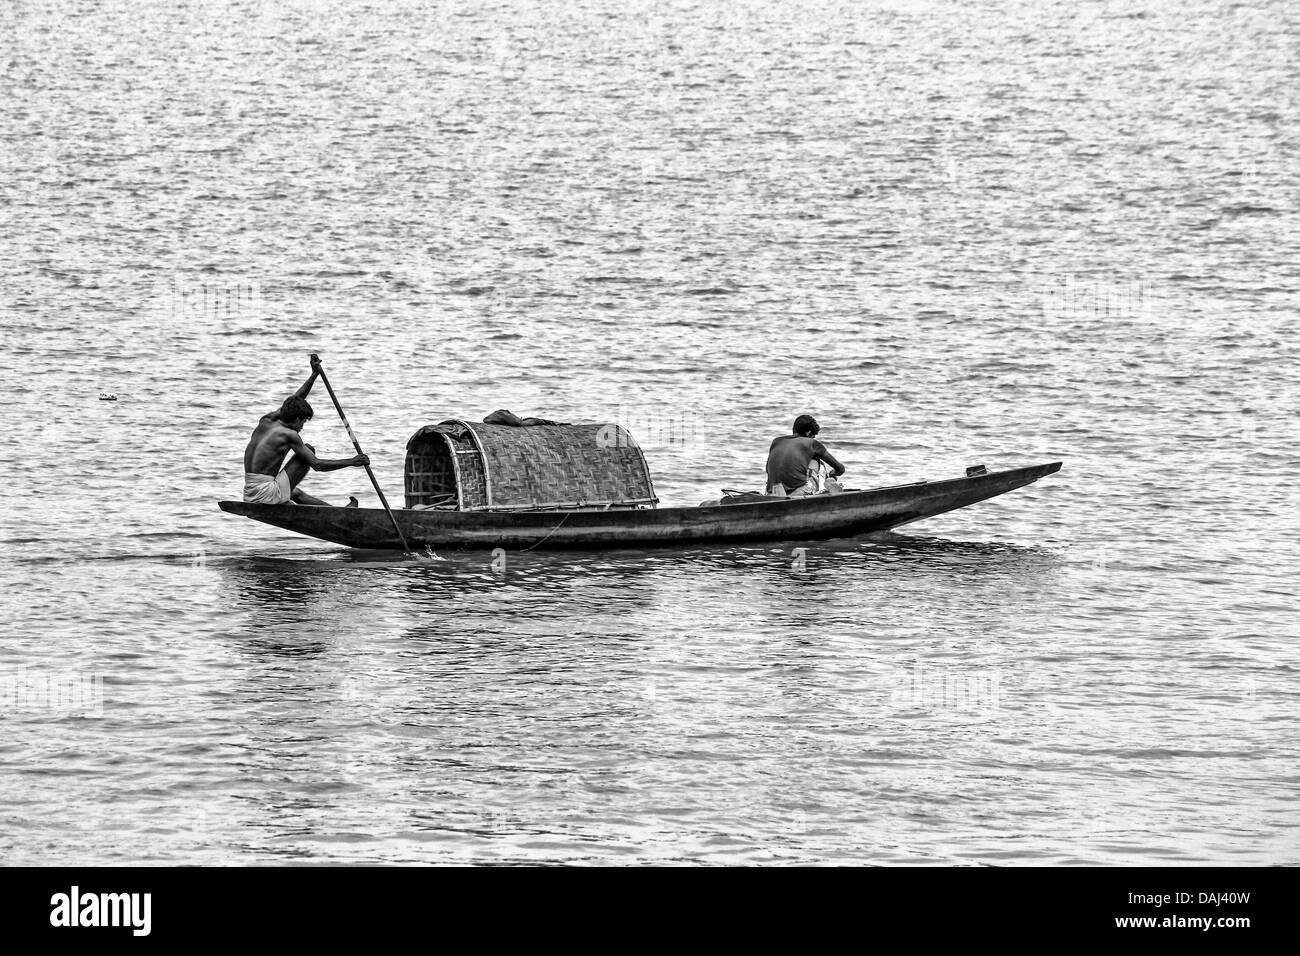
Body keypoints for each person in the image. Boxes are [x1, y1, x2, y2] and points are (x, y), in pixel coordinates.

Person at [242, 356, 369, 506]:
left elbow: (295, 399)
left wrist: (314, 374)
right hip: (265, 495)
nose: (302, 427)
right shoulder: (289, 435)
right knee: (308, 450)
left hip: (249, 492)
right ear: (296, 419)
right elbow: (317, 464)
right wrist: (352, 461)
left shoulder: (267, 420)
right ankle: (341, 513)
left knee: (295, 493)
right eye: (303, 422)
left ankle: (340, 512)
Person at [765, 414, 845, 497]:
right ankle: (826, 485)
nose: (813, 439)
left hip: (772, 492)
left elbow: (768, 469)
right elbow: (840, 469)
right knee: (815, 460)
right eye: (813, 436)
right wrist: (833, 473)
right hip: (798, 493)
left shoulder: (777, 441)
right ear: (808, 433)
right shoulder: (811, 443)